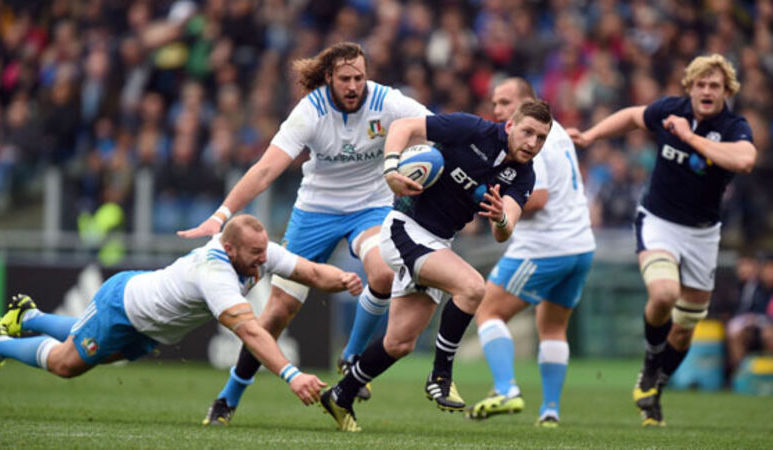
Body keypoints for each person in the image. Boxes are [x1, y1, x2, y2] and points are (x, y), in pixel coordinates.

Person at [176, 42, 432, 425]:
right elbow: (265, 170)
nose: (353, 86)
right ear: (329, 77)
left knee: (382, 272)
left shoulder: (389, 102)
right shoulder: (311, 111)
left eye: (359, 78)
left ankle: (351, 356)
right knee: (278, 312)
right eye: (344, 78)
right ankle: (229, 397)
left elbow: (441, 129)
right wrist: (222, 214)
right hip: (315, 212)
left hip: (371, 208)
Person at [320, 99, 553, 432]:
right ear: (511, 125)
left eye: (541, 137)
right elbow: (404, 126)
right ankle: (441, 375)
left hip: (439, 243)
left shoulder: (524, 175)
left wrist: (501, 217)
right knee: (472, 287)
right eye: (528, 132)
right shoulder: (473, 129)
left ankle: (340, 395)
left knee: (400, 343)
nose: (533, 142)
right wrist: (391, 170)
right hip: (405, 228)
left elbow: (505, 230)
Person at [0, 215, 362, 412]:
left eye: (265, 251)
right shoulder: (214, 273)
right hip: (123, 307)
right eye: (255, 254)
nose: (263, 260)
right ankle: (0, 344)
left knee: (94, 351)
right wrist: (292, 375)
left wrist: (344, 278)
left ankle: (29, 317)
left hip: (150, 329)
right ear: (230, 249)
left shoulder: (256, 251)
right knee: (68, 364)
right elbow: (250, 332)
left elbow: (311, 273)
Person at [567, 54, 757, 427]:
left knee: (685, 327)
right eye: (700, 84)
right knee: (665, 293)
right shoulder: (671, 110)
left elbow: (745, 160)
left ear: (727, 91)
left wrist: (689, 137)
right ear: (690, 87)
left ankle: (655, 388)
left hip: (703, 233)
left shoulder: (733, 126)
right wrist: (591, 135)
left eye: (715, 85)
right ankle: (651, 364)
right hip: (659, 222)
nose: (707, 91)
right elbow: (632, 117)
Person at [464, 78, 595, 427]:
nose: (498, 111)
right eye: (495, 103)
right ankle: (550, 410)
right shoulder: (557, 132)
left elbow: (538, 197)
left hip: (545, 248)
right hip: (580, 246)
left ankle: (506, 388)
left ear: (526, 103)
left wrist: (495, 200)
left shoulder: (532, 140)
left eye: (505, 102)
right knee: (552, 328)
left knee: (488, 310)